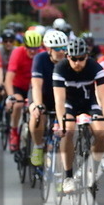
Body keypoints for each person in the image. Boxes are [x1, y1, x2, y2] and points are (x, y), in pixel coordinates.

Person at [52, 37, 104, 194]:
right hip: (69, 103)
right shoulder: (60, 68)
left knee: (102, 133)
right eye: (74, 59)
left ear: (87, 56)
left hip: (89, 102)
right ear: (67, 56)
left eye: (81, 59)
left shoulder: (95, 67)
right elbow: (59, 100)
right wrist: (62, 123)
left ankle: (93, 167)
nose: (77, 63)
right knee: (69, 131)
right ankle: (68, 177)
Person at [28, 30, 69, 167]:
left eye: (64, 48)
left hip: (61, 97)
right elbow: (37, 84)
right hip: (42, 95)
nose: (61, 51)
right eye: (58, 48)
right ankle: (38, 146)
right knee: (37, 114)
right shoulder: (40, 59)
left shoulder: (69, 60)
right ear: (49, 49)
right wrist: (38, 104)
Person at [4, 29, 42, 153]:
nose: (32, 51)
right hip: (18, 86)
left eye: (35, 48)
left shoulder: (42, 54)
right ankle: (13, 131)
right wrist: (10, 96)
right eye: (29, 47)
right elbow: (9, 78)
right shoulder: (17, 53)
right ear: (24, 45)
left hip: (34, 87)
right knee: (18, 104)